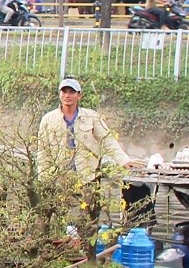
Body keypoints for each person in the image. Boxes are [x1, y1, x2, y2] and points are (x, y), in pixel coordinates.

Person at [39, 77, 153, 225]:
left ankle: (87, 246)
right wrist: (44, 178)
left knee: (89, 217)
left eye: (72, 92)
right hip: (60, 176)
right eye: (64, 92)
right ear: (59, 94)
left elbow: (107, 140)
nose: (67, 95)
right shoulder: (48, 119)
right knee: (56, 217)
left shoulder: (91, 116)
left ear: (79, 95)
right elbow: (43, 150)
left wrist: (123, 160)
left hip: (88, 174)